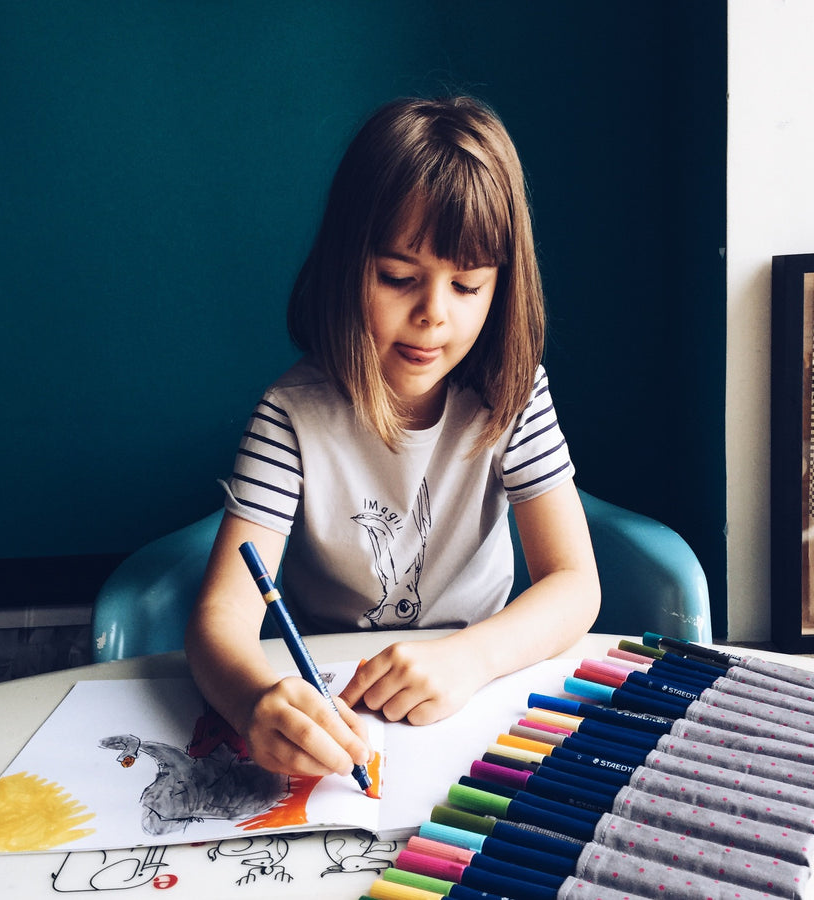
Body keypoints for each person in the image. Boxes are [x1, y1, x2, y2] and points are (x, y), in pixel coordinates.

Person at [185, 95, 600, 783]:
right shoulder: (290, 415)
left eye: (467, 285)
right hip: (337, 700)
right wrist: (255, 702)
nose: (433, 315)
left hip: (474, 691)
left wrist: (469, 658)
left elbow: (574, 583)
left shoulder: (513, 393)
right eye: (399, 278)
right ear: (350, 264)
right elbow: (220, 617)